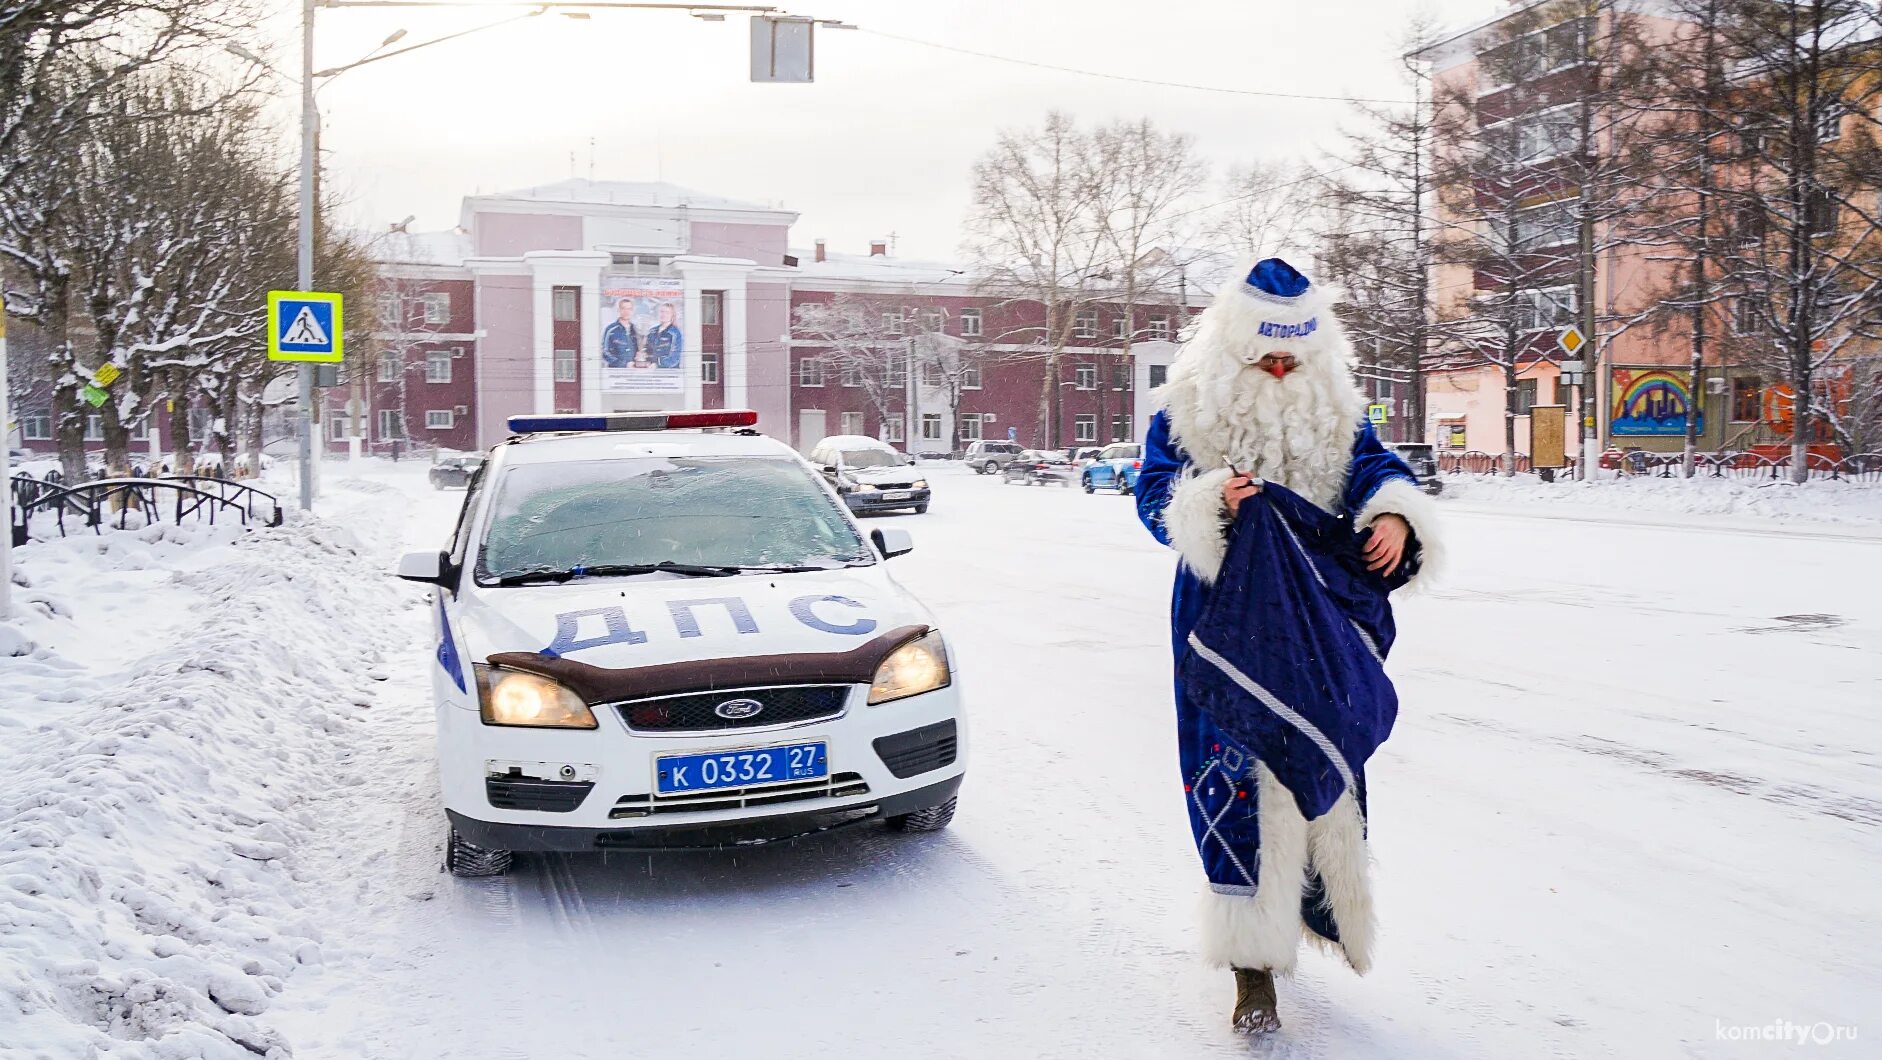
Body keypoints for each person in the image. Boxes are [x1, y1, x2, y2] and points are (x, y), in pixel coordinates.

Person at [1134, 257, 1444, 1035]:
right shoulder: (1183, 411)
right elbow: (1153, 497)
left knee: (1314, 763)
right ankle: (1253, 972)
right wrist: (1210, 502)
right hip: (1221, 628)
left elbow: (1376, 468)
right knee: (1235, 782)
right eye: (1265, 357)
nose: (1279, 368)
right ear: (1235, 347)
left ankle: (1314, 916)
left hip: (1319, 628)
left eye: (1292, 358)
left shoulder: (1340, 406)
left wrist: (1394, 514)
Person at [643, 301, 683, 368]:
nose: (663, 314)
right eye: (662, 311)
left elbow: (675, 358)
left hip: (668, 373)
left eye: (667, 312)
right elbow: (646, 350)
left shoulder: (675, 333)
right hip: (651, 371)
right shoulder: (652, 331)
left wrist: (657, 363)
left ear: (672, 315)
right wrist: (645, 360)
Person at [602, 298, 640, 368]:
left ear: (633, 311)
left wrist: (639, 356)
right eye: (623, 308)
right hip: (616, 373)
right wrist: (624, 364)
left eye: (629, 309)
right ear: (618, 310)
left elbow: (638, 350)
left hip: (633, 373)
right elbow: (604, 352)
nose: (626, 311)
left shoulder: (635, 329)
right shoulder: (610, 329)